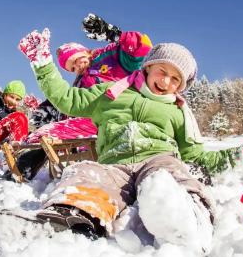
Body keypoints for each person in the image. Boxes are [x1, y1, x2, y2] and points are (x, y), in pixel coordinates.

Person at [0, 29, 243, 255]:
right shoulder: (112, 92)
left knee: (169, 175)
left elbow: (197, 155)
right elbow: (67, 99)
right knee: (85, 173)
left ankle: (188, 220)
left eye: (176, 79)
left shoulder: (178, 110)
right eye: (162, 71)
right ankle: (62, 220)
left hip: (158, 158)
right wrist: (42, 63)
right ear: (149, 67)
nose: (166, 82)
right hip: (115, 163)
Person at [17, 14, 152, 180]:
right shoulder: (79, 83)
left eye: (75, 60)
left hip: (117, 117)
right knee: (45, 132)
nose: (76, 67)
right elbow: (69, 101)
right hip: (89, 123)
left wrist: (112, 34)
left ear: (84, 52)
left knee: (51, 132)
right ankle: (22, 171)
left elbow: (141, 46)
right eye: (71, 68)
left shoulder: (110, 57)